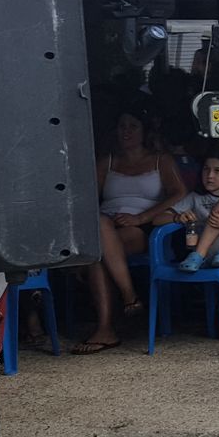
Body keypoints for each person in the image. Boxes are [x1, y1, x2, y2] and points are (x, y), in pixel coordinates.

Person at [76, 108, 186, 354]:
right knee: (99, 235)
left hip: (142, 227)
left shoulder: (160, 160)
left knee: (97, 251)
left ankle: (107, 326)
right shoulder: (108, 161)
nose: (126, 131)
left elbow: (179, 192)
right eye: (122, 126)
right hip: (107, 224)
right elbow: (86, 197)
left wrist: (141, 217)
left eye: (133, 126)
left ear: (145, 131)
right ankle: (129, 298)